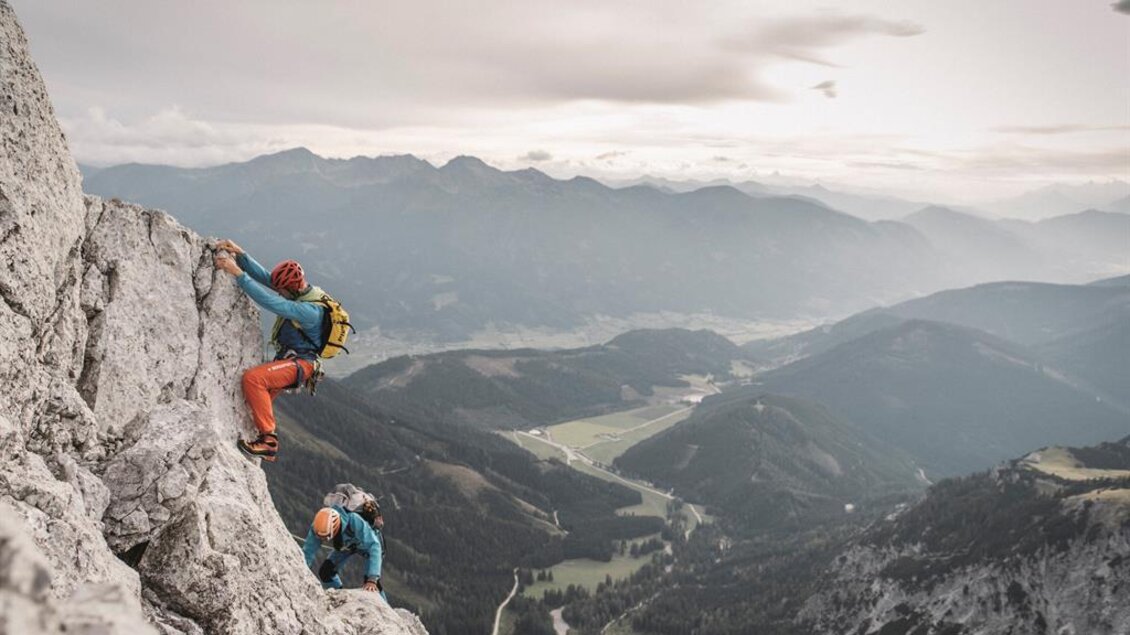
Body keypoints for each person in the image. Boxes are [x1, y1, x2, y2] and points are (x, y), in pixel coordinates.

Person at [213, 238, 327, 461]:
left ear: (291, 289)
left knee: (253, 380)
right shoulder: (303, 292)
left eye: (282, 289)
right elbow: (271, 280)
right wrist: (242, 256)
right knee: (250, 403)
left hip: (301, 364)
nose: (278, 291)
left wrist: (237, 273)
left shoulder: (309, 310)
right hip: (292, 360)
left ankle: (268, 441)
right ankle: (256, 439)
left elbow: (270, 301)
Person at [303, 505, 387, 601]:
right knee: (326, 572)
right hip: (348, 545)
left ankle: (387, 610)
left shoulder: (354, 521)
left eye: (326, 537)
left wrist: (372, 579)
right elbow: (308, 551)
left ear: (334, 529)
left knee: (371, 585)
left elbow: (374, 546)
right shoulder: (318, 527)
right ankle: (339, 597)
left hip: (369, 544)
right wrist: (301, 568)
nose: (323, 540)